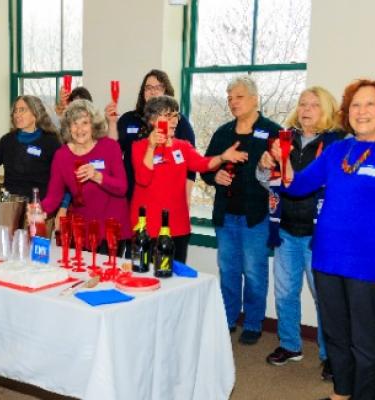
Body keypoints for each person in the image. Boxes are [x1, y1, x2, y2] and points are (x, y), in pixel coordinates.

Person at [264, 79, 375, 399]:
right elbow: (297, 186)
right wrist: (279, 162)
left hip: (368, 264)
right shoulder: (338, 150)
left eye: (370, 104)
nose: (361, 111)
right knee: (335, 335)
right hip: (327, 257)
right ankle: (341, 393)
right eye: (355, 106)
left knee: (364, 341)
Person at [255, 87, 345, 379]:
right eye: (302, 104)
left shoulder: (337, 144)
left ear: (328, 109)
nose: (306, 109)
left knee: (324, 298)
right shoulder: (284, 139)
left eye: (314, 105)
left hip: (320, 236)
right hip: (286, 231)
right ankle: (290, 345)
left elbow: (334, 188)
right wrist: (263, 164)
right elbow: (268, 183)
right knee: (284, 294)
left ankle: (330, 355)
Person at [202, 75, 281, 345]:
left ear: (255, 98)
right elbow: (206, 167)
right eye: (229, 97)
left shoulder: (271, 131)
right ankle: (227, 317)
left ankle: (253, 322)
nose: (232, 102)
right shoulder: (223, 132)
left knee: (255, 272)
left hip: (255, 217)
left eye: (238, 97)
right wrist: (216, 177)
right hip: (225, 215)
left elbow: (283, 176)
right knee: (228, 269)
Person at [132, 96, 247, 263]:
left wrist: (223, 157)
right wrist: (151, 147)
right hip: (147, 228)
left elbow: (202, 164)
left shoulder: (182, 146)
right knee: (146, 277)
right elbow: (143, 179)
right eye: (167, 116)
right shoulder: (139, 147)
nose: (173, 121)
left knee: (175, 279)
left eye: (175, 116)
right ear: (152, 120)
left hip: (177, 226)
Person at [40, 99, 131, 251]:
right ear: (68, 127)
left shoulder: (110, 146)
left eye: (85, 123)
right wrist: (39, 210)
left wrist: (97, 176)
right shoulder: (61, 156)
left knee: (107, 273)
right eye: (74, 123)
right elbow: (54, 197)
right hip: (82, 227)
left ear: (93, 125)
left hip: (112, 228)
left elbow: (122, 188)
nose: (79, 129)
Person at [117, 69, 196, 200]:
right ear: (143, 92)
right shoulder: (128, 119)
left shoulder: (179, 122)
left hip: (167, 198)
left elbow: (191, 167)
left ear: (166, 91)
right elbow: (115, 153)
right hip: (132, 195)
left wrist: (186, 200)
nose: (152, 91)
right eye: (148, 88)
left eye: (158, 87)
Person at [0, 95, 61, 199]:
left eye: (22, 110)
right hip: (9, 204)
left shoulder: (51, 141)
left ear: (36, 113)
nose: (17, 114)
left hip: (39, 205)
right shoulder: (8, 140)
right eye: (15, 111)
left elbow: (61, 178)